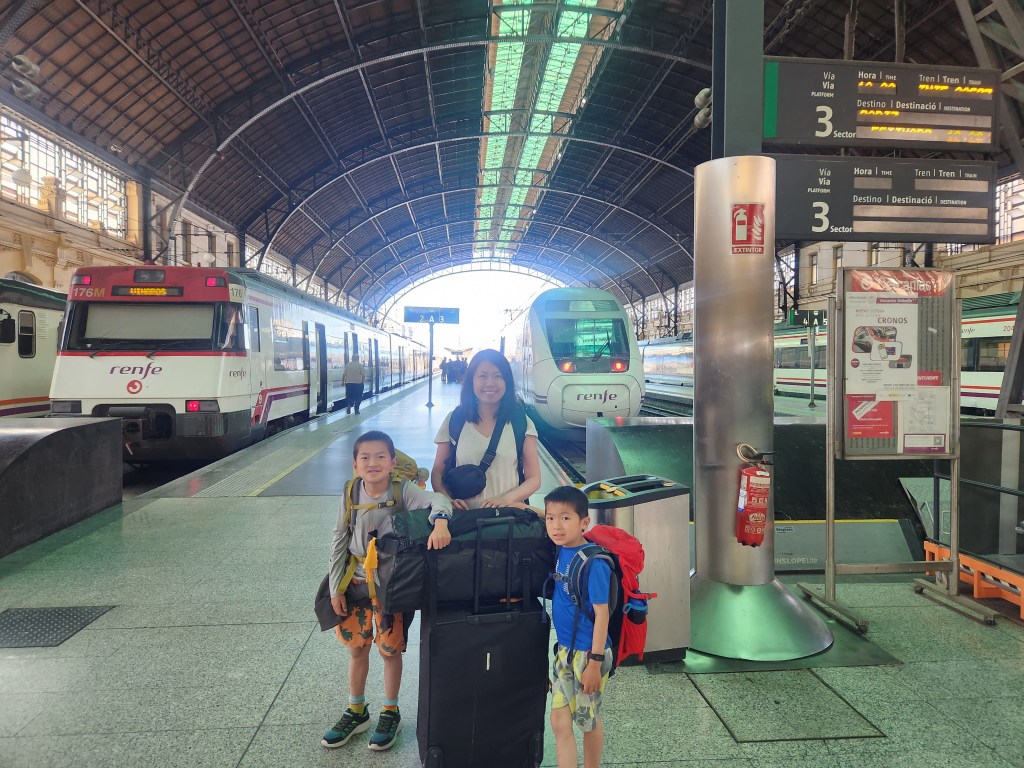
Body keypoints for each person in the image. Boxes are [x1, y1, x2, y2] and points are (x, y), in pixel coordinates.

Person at [322, 430, 453, 751]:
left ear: (393, 462)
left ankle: (390, 711)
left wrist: (440, 521)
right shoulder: (351, 491)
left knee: (390, 650)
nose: (373, 463)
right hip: (354, 583)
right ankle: (356, 710)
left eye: (381, 456)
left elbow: (438, 499)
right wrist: (335, 588)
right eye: (365, 458)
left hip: (391, 586)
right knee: (357, 648)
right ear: (355, 465)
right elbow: (339, 539)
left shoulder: (402, 489)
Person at [544, 485, 613, 768]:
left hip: (589, 653)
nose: (556, 526)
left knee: (587, 721)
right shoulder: (561, 549)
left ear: (585, 522)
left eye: (565, 518)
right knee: (559, 722)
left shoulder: (594, 564)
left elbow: (602, 615)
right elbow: (549, 515)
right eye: (550, 518)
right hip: (564, 651)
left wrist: (594, 663)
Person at [431, 348, 541, 509]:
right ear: (472, 381)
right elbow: (437, 473)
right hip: (464, 519)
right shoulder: (455, 420)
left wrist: (506, 499)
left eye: (498, 376)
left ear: (507, 381)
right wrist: (448, 500)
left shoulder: (521, 422)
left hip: (507, 518)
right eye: (483, 376)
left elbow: (534, 478)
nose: (490, 383)